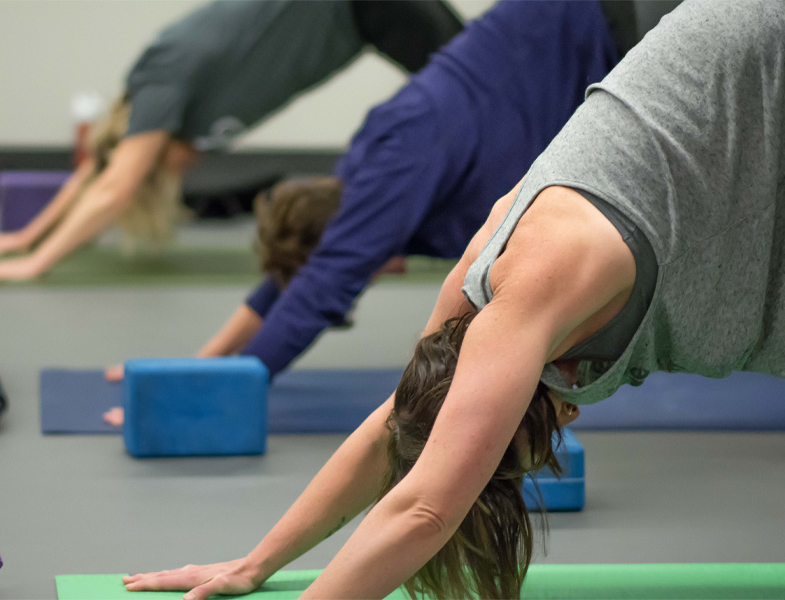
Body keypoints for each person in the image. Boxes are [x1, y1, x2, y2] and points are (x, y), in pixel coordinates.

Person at [119, 1, 785, 598]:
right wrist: (254, 563)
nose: (573, 422)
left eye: (548, 430)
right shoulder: (474, 279)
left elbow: (427, 509)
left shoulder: (524, 297)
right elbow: (394, 427)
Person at [105, 0, 646, 386]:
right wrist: (194, 369)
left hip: (594, 16)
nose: (374, 272)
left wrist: (227, 388)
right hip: (565, 37)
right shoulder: (355, 180)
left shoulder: (389, 175)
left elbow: (321, 283)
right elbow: (290, 280)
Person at [0, 0, 463, 284]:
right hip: (368, 20)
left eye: (164, 169)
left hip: (364, 6)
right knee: (476, 102)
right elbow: (97, 174)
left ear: (146, 139)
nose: (182, 169)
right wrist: (25, 236)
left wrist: (33, 266)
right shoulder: (175, 117)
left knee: (487, 99)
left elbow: (114, 186)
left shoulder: (159, 77)